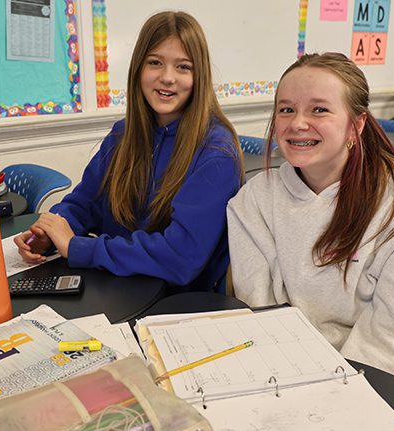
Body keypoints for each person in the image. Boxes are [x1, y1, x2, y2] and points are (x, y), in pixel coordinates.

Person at [227, 53, 394, 385]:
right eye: (286, 109)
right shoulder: (253, 200)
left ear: (357, 125)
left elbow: (388, 331)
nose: (297, 123)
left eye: (319, 109)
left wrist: (339, 387)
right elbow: (259, 307)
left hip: (376, 372)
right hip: (285, 364)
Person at [14, 11, 242, 292]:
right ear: (138, 68)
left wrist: (78, 247)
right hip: (117, 286)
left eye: (183, 67)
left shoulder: (216, 153)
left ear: (200, 76)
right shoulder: (122, 135)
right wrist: (51, 230)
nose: (168, 78)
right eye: (155, 63)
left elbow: (181, 257)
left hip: (174, 305)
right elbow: (87, 202)